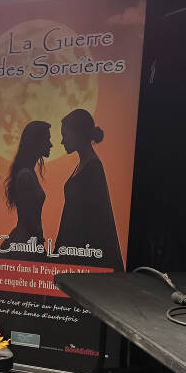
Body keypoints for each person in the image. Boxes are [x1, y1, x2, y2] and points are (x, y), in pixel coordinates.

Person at [55, 109, 123, 270]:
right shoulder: (84, 165)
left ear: (78, 133)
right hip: (73, 251)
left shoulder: (93, 168)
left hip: (82, 256)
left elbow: (96, 221)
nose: (62, 141)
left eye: (65, 135)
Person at [4, 120, 52, 244]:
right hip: (26, 241)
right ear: (36, 142)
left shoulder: (29, 173)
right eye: (47, 139)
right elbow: (28, 220)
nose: (51, 145)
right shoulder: (26, 176)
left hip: (29, 239)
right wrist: (38, 240)